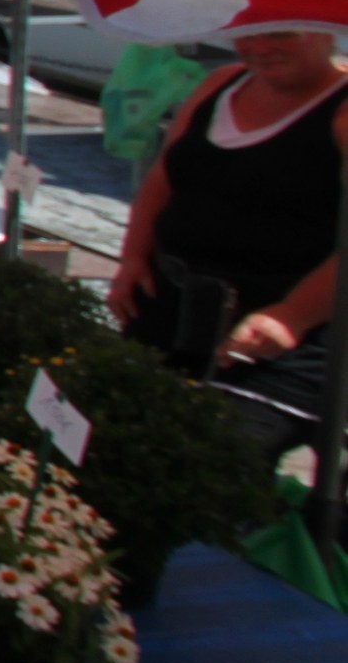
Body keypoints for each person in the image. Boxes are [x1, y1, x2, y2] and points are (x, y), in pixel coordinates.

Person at [109, 29, 347, 450]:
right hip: (175, 307)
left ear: (325, 29)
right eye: (246, 34)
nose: (259, 48)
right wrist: (133, 257)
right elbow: (165, 177)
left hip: (282, 338)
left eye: (281, 34)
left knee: (213, 459)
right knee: (120, 437)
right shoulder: (221, 83)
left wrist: (292, 315)